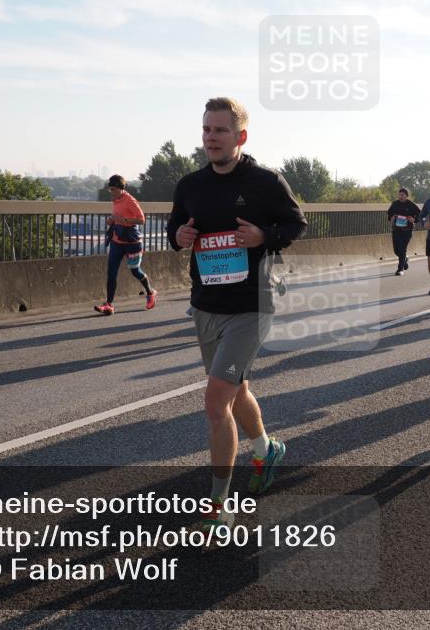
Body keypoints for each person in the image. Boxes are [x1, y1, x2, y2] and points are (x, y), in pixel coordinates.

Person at [167, 97, 307, 532]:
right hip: (206, 305)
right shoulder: (190, 185)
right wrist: (180, 235)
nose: (210, 137)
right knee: (236, 388)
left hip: (252, 305)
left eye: (220, 130)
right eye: (206, 129)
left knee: (215, 401)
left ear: (240, 136)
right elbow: (175, 231)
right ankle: (266, 450)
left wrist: (264, 235)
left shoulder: (265, 181)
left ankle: (218, 505)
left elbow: (297, 224)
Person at [94, 175, 157, 315]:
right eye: (110, 189)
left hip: (132, 243)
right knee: (111, 272)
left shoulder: (130, 200)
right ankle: (109, 305)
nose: (112, 192)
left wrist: (125, 220)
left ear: (121, 188)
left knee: (135, 271)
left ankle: (150, 292)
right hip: (117, 241)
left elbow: (141, 220)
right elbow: (118, 217)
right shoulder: (115, 200)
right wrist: (112, 220)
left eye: (114, 189)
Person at [387, 189, 420, 276]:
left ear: (406, 196)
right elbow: (389, 213)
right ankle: (404, 259)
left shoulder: (411, 205)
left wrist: (414, 219)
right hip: (396, 230)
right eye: (399, 195)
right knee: (396, 250)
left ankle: (400, 269)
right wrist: (391, 217)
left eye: (402, 195)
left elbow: (420, 214)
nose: (400, 196)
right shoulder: (395, 204)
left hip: (407, 230)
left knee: (402, 249)